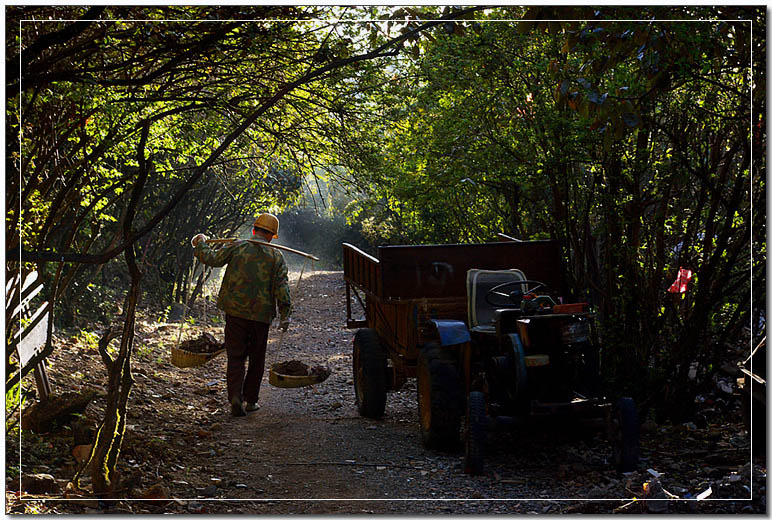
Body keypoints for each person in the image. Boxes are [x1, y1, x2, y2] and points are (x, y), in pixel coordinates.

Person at [191, 213, 292, 417]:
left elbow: (212, 258)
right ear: (272, 236)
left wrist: (201, 243)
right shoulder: (276, 257)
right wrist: (285, 314)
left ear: (254, 230)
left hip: (235, 312)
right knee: (257, 358)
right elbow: (282, 288)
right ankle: (251, 401)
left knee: (235, 356)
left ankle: (235, 397)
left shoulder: (237, 246)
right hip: (261, 316)